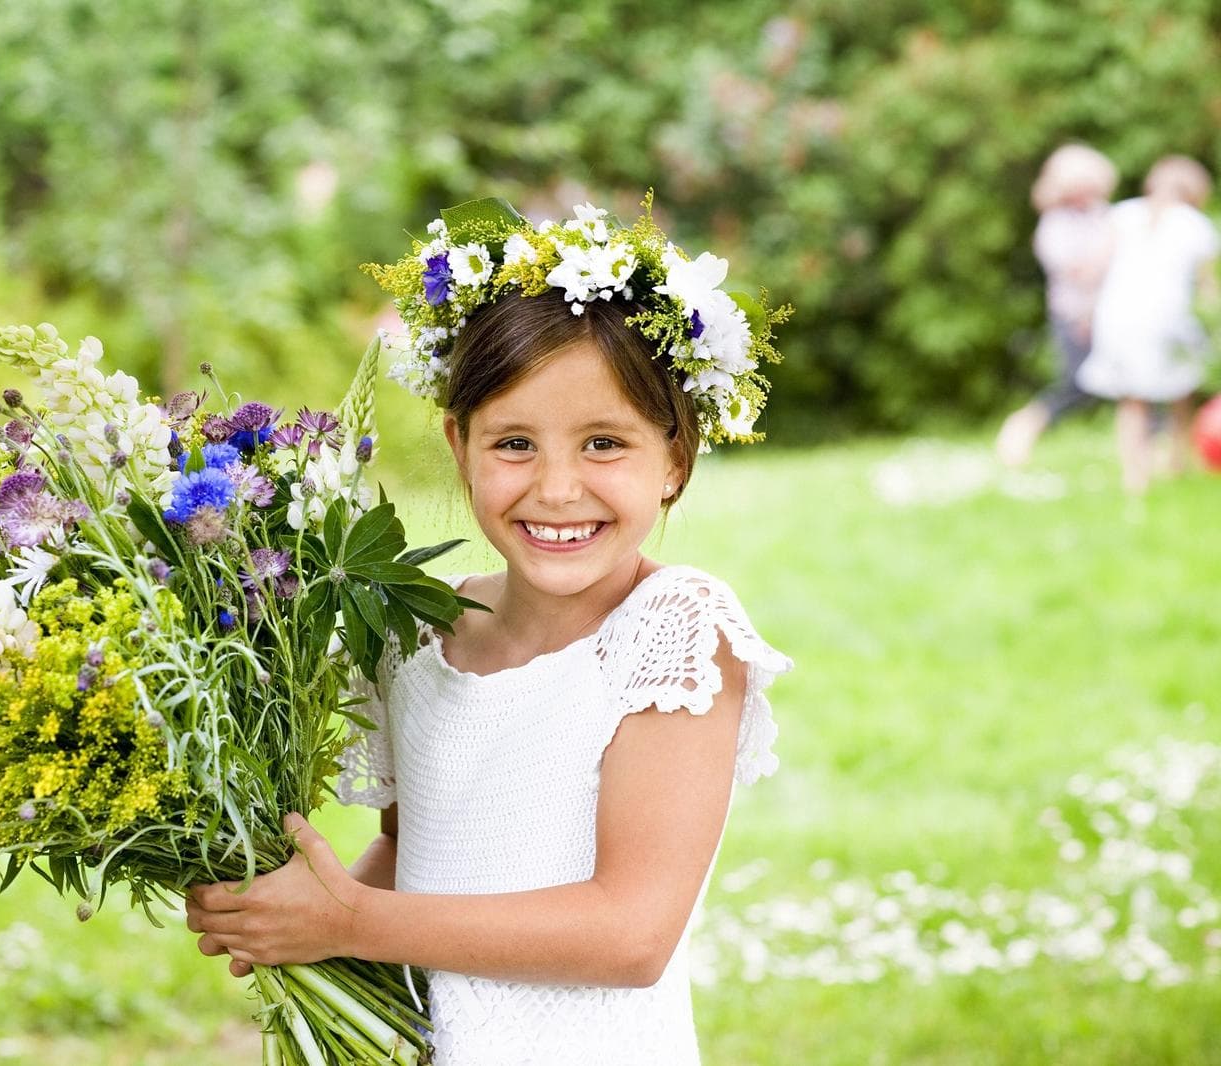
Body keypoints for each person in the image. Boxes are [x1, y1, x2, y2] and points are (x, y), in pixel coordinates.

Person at [185, 201, 792, 1065]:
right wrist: (297, 914)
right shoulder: (416, 634)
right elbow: (411, 850)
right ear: (458, 442)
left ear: (675, 460)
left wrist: (354, 920)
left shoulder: (675, 632)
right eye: (514, 442)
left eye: (604, 444)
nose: (555, 489)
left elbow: (630, 933)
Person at [1077, 155, 1220, 494]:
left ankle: (1134, 478)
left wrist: (1085, 313)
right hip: (1167, 317)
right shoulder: (1196, 224)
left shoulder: (1122, 213)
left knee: (1131, 400)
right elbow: (1207, 288)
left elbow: (1097, 268)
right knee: (1181, 390)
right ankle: (1176, 462)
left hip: (1118, 316)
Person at [996, 144, 1118, 467]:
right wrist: (1107, 254)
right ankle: (1024, 426)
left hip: (1109, 313)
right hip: (1074, 315)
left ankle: (1153, 450)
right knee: (1077, 386)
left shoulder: (1101, 214)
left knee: (1134, 380)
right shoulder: (1054, 225)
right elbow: (1078, 273)